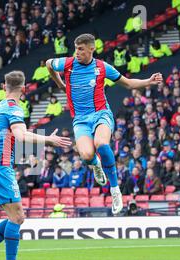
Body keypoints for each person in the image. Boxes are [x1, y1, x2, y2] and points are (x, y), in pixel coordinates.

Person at [46, 33, 163, 215]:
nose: (77, 53)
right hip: (80, 119)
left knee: (101, 143)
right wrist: (60, 84)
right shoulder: (67, 64)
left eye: (81, 49)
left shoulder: (102, 67)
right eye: (76, 49)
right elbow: (48, 64)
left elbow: (129, 83)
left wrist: (148, 81)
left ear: (91, 49)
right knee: (85, 155)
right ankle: (96, 165)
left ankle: (115, 190)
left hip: (101, 114)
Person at [0, 71, 72, 260]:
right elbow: (21, 135)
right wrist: (49, 141)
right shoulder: (14, 109)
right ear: (24, 89)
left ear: (3, 87)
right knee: (18, 217)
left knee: (14, 217)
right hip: (0, 166)